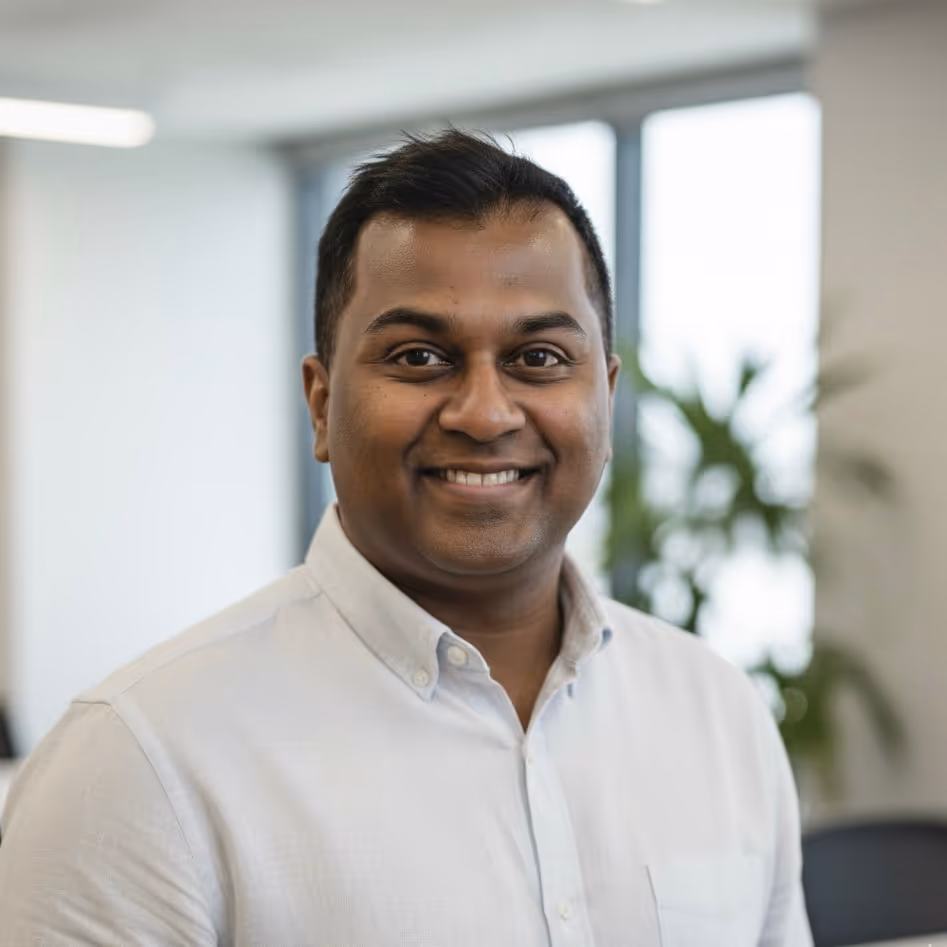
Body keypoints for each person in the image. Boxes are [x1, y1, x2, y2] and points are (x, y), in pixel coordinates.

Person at [0, 130, 812, 945]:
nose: (486, 413)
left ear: (603, 399)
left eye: (538, 356)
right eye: (419, 356)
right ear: (320, 404)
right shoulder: (140, 762)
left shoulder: (717, 713)